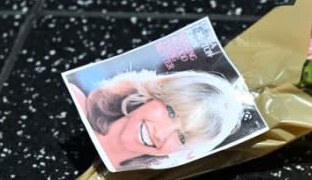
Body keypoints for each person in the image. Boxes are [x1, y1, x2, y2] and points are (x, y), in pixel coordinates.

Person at [67, 70, 245, 170]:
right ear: (151, 94)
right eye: (171, 111)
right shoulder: (72, 99)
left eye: (182, 137)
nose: (160, 134)